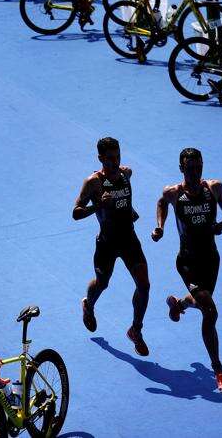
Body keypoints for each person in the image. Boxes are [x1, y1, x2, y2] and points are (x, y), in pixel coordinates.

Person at [151, 148, 222, 392]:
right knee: (210, 311)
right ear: (181, 168)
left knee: (202, 302)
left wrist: (220, 226)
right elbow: (161, 203)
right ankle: (218, 370)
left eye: (198, 167)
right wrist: (160, 227)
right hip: (187, 262)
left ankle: (179, 304)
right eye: (190, 168)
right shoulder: (173, 193)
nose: (195, 172)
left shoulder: (214, 188)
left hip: (211, 259)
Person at [73, 137, 151, 356]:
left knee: (144, 285)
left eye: (117, 157)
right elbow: (76, 212)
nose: (115, 162)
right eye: (109, 158)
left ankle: (136, 330)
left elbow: (123, 198)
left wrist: (129, 211)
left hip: (129, 241)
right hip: (107, 244)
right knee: (102, 283)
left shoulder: (126, 174)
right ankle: (88, 305)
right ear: (100, 158)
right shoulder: (93, 182)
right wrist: (98, 204)